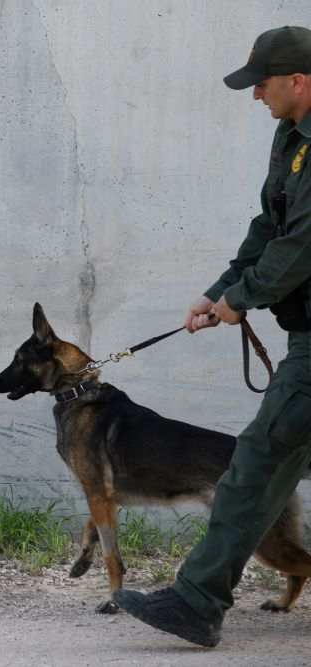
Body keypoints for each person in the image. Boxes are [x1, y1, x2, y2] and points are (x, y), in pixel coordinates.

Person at [114, 26, 311, 647]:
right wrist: (219, 289)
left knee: (255, 464)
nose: (255, 96)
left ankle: (197, 601)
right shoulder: (292, 138)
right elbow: (268, 224)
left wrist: (242, 298)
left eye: (262, 83)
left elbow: (300, 245)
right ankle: (199, 599)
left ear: (299, 81)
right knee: (262, 467)